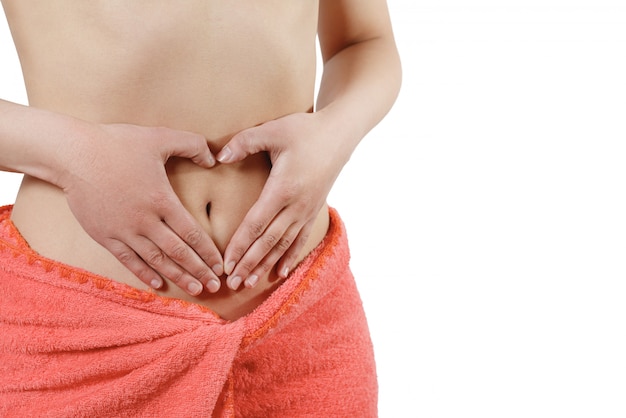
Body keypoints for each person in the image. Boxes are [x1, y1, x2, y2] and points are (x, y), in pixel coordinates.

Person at [0, 0, 401, 416]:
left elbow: (363, 40)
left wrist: (334, 134)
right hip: (81, 347)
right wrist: (74, 157)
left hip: (301, 329)